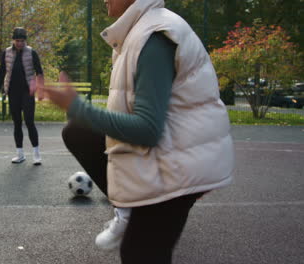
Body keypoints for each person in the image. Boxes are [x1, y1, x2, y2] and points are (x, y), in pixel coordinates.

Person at [43, 0, 235, 263]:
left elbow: (147, 130)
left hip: (178, 166)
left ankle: (133, 210)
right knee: (79, 133)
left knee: (139, 254)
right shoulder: (138, 32)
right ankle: (128, 209)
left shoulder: (154, 36)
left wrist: (77, 106)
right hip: (168, 151)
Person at [0, 27, 45, 165]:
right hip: (12, 92)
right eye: (17, 41)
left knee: (29, 121)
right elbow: (1, 73)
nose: (20, 43)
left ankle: (36, 154)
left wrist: (40, 89)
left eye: (22, 41)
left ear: (25, 41)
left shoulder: (32, 53)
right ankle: (20, 154)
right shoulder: (6, 53)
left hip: (27, 92)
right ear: (13, 40)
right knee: (17, 123)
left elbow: (39, 72)